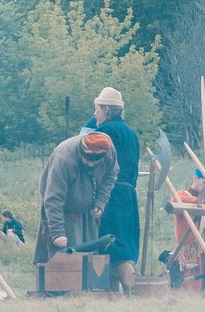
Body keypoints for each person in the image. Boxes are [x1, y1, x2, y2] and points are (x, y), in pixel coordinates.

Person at [80, 87, 139, 293]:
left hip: (111, 195)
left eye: (97, 109)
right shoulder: (130, 132)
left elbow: (94, 165)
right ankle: (113, 297)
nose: (95, 113)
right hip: (128, 194)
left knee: (115, 246)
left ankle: (133, 294)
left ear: (106, 109)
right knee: (116, 248)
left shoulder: (106, 132)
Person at [33, 132, 118, 271]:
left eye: (96, 160)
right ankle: (58, 289)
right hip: (63, 209)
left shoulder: (109, 151)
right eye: (88, 158)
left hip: (87, 210)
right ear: (81, 152)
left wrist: (100, 202)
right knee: (64, 255)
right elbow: (53, 198)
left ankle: (85, 289)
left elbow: (111, 176)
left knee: (87, 257)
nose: (91, 163)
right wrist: (57, 232)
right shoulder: (64, 159)